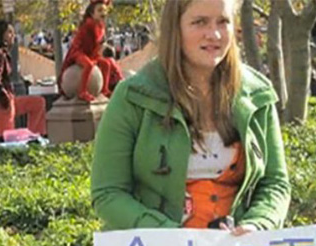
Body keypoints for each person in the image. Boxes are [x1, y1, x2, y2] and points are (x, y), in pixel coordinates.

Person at [91, 0, 291, 234]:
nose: (214, 34)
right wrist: (171, 235)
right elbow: (107, 193)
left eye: (223, 22)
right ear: (175, 28)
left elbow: (274, 183)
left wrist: (258, 224)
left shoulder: (257, 95)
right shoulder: (132, 97)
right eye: (200, 22)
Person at [0, 20, 47, 140]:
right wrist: (4, 99)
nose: (13, 36)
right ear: (1, 35)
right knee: (6, 139)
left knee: (38, 103)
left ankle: (34, 137)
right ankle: (26, 141)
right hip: (2, 102)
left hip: (6, 99)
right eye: (10, 32)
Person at [58, 0, 113, 102]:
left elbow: (97, 46)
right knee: (88, 65)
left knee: (106, 64)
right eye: (100, 10)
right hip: (79, 52)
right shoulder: (89, 24)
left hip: (91, 54)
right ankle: (82, 91)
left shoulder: (101, 26)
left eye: (104, 11)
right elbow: (88, 45)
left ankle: (104, 89)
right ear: (92, 13)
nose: (103, 13)